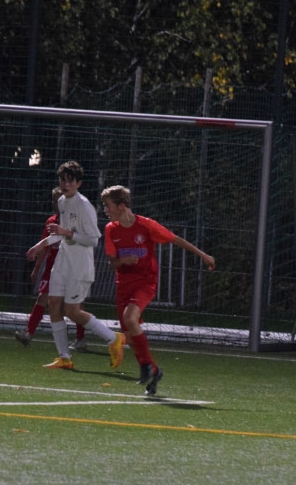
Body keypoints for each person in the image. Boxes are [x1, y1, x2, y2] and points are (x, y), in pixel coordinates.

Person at [101, 185, 215, 395]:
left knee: (130, 318)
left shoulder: (146, 225)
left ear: (121, 206)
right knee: (130, 335)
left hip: (145, 283)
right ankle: (153, 371)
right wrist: (123, 260)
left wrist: (203, 255)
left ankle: (146, 367)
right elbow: (112, 263)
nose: (105, 210)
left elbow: (175, 239)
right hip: (123, 285)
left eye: (108, 206)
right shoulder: (110, 229)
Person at [25, 160, 124, 370]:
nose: (65, 184)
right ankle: (64, 357)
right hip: (63, 261)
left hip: (79, 266)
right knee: (53, 304)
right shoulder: (62, 201)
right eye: (63, 180)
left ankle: (113, 338)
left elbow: (92, 240)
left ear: (78, 183)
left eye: (70, 180)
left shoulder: (84, 205)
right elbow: (60, 233)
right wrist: (39, 246)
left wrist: (67, 233)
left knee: (72, 312)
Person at [15, 186, 86, 350]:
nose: (57, 204)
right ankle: (28, 333)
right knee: (42, 298)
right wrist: (36, 268)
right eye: (54, 201)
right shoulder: (51, 221)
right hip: (52, 268)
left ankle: (81, 338)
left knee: (76, 304)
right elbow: (45, 247)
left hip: (72, 268)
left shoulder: (75, 220)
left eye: (59, 200)